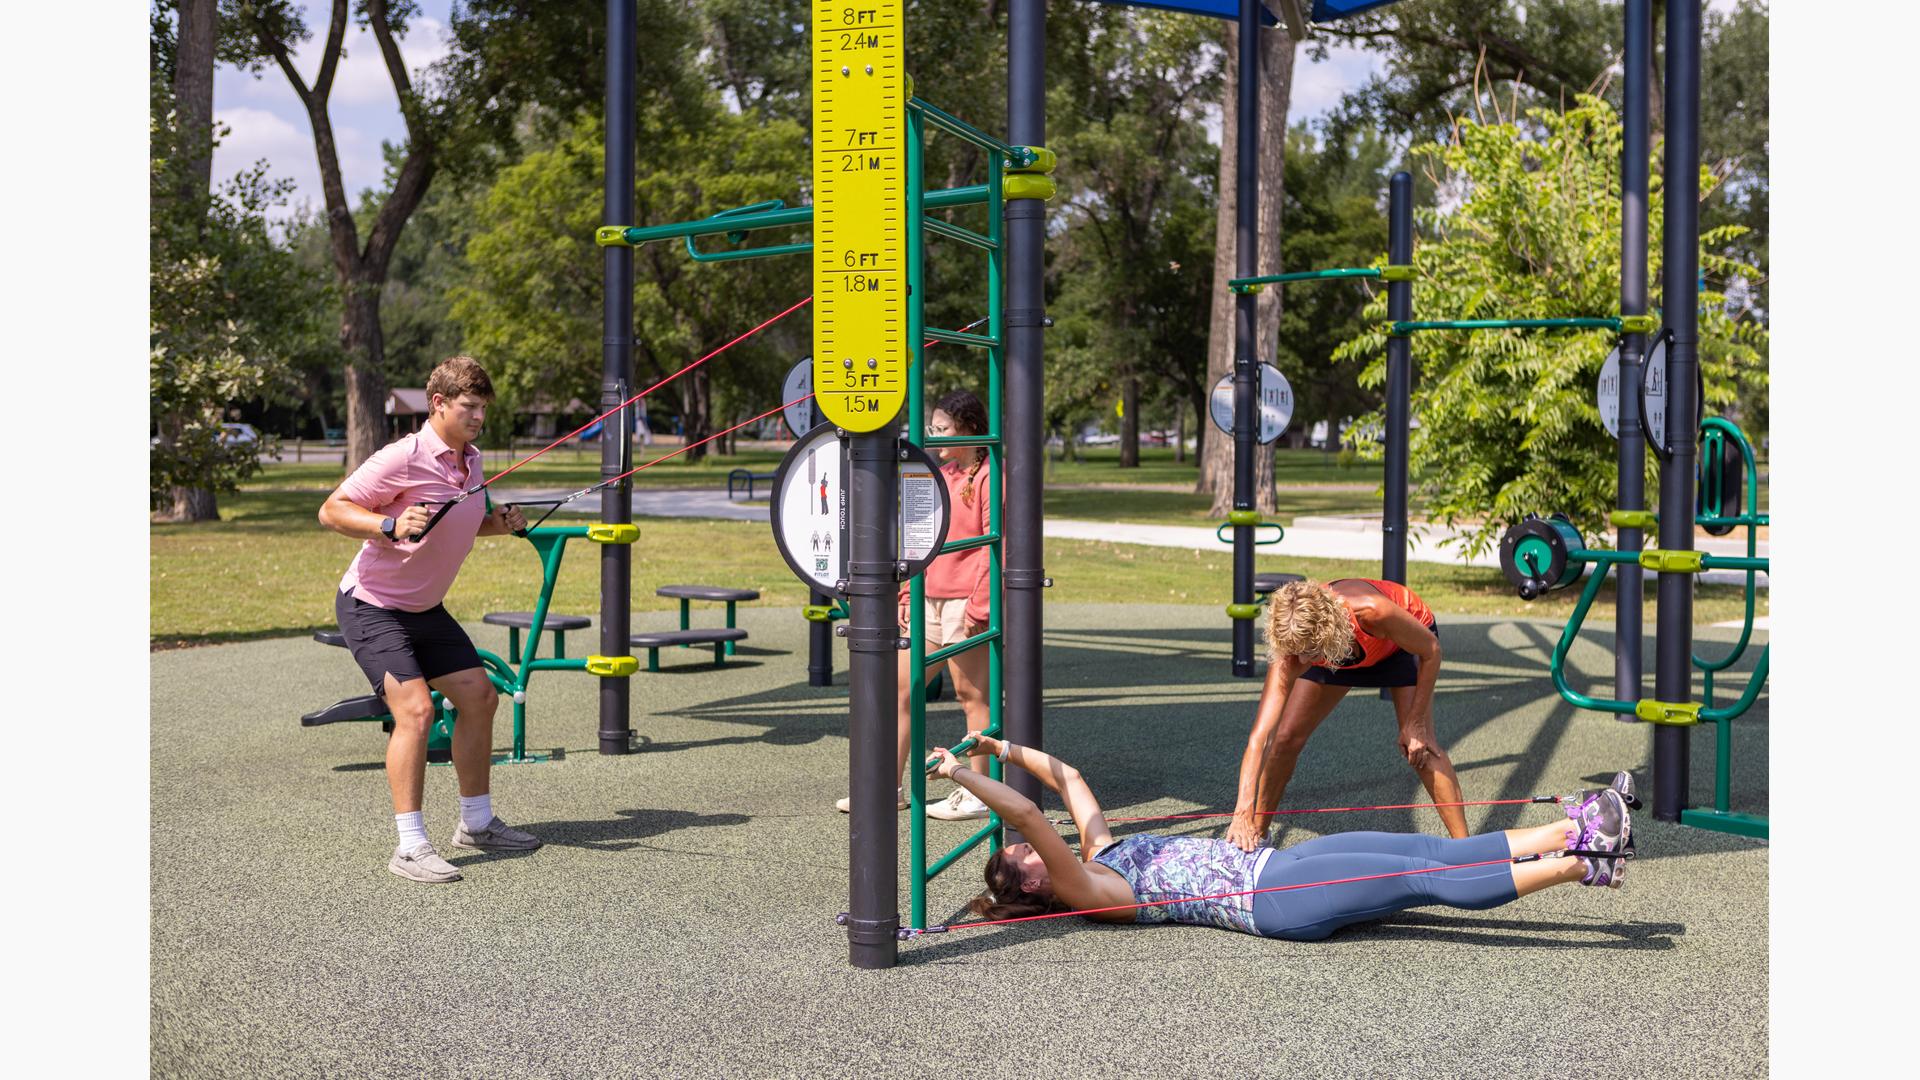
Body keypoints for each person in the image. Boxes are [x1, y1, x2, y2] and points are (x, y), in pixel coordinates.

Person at [930, 735, 1631, 942]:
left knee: (1431, 853)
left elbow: (1072, 778)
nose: (1028, 842)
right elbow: (1024, 816)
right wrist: (963, 771)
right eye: (1021, 855)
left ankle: (1579, 823)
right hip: (1277, 900)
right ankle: (1583, 861)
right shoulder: (1089, 891)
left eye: (1023, 845)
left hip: (1280, 864)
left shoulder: (1100, 851)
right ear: (1030, 883)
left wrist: (1004, 746)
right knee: (1425, 882)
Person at [319, 356, 542, 883]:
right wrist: (388, 523)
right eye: (470, 407)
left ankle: (477, 823)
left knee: (480, 696)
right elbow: (332, 509)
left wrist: (500, 523)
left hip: (425, 609)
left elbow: (454, 525)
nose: (478, 417)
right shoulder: (404, 456)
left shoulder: (471, 461)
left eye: (484, 409)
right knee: (416, 711)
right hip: (372, 605)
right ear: (438, 403)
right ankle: (410, 847)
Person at [837, 390, 996, 820]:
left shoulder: (986, 477)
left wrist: (979, 606)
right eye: (932, 427)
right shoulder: (939, 475)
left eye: (942, 428)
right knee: (901, 688)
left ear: (969, 429)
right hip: (929, 597)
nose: (933, 435)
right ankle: (886, 787)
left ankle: (978, 793)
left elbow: (991, 549)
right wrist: (907, 592)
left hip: (966, 600)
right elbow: (920, 539)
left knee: (970, 693)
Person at [1226, 579, 1468, 851]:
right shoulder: (1295, 648)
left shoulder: (1374, 611)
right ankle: (1257, 836)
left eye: (1307, 653)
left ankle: (1469, 852)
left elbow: (1431, 651)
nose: (1302, 663)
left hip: (1399, 646)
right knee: (1285, 739)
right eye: (1297, 654)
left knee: (1420, 748)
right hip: (1334, 650)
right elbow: (1262, 737)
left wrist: (1416, 722)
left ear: (1326, 629)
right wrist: (1241, 813)